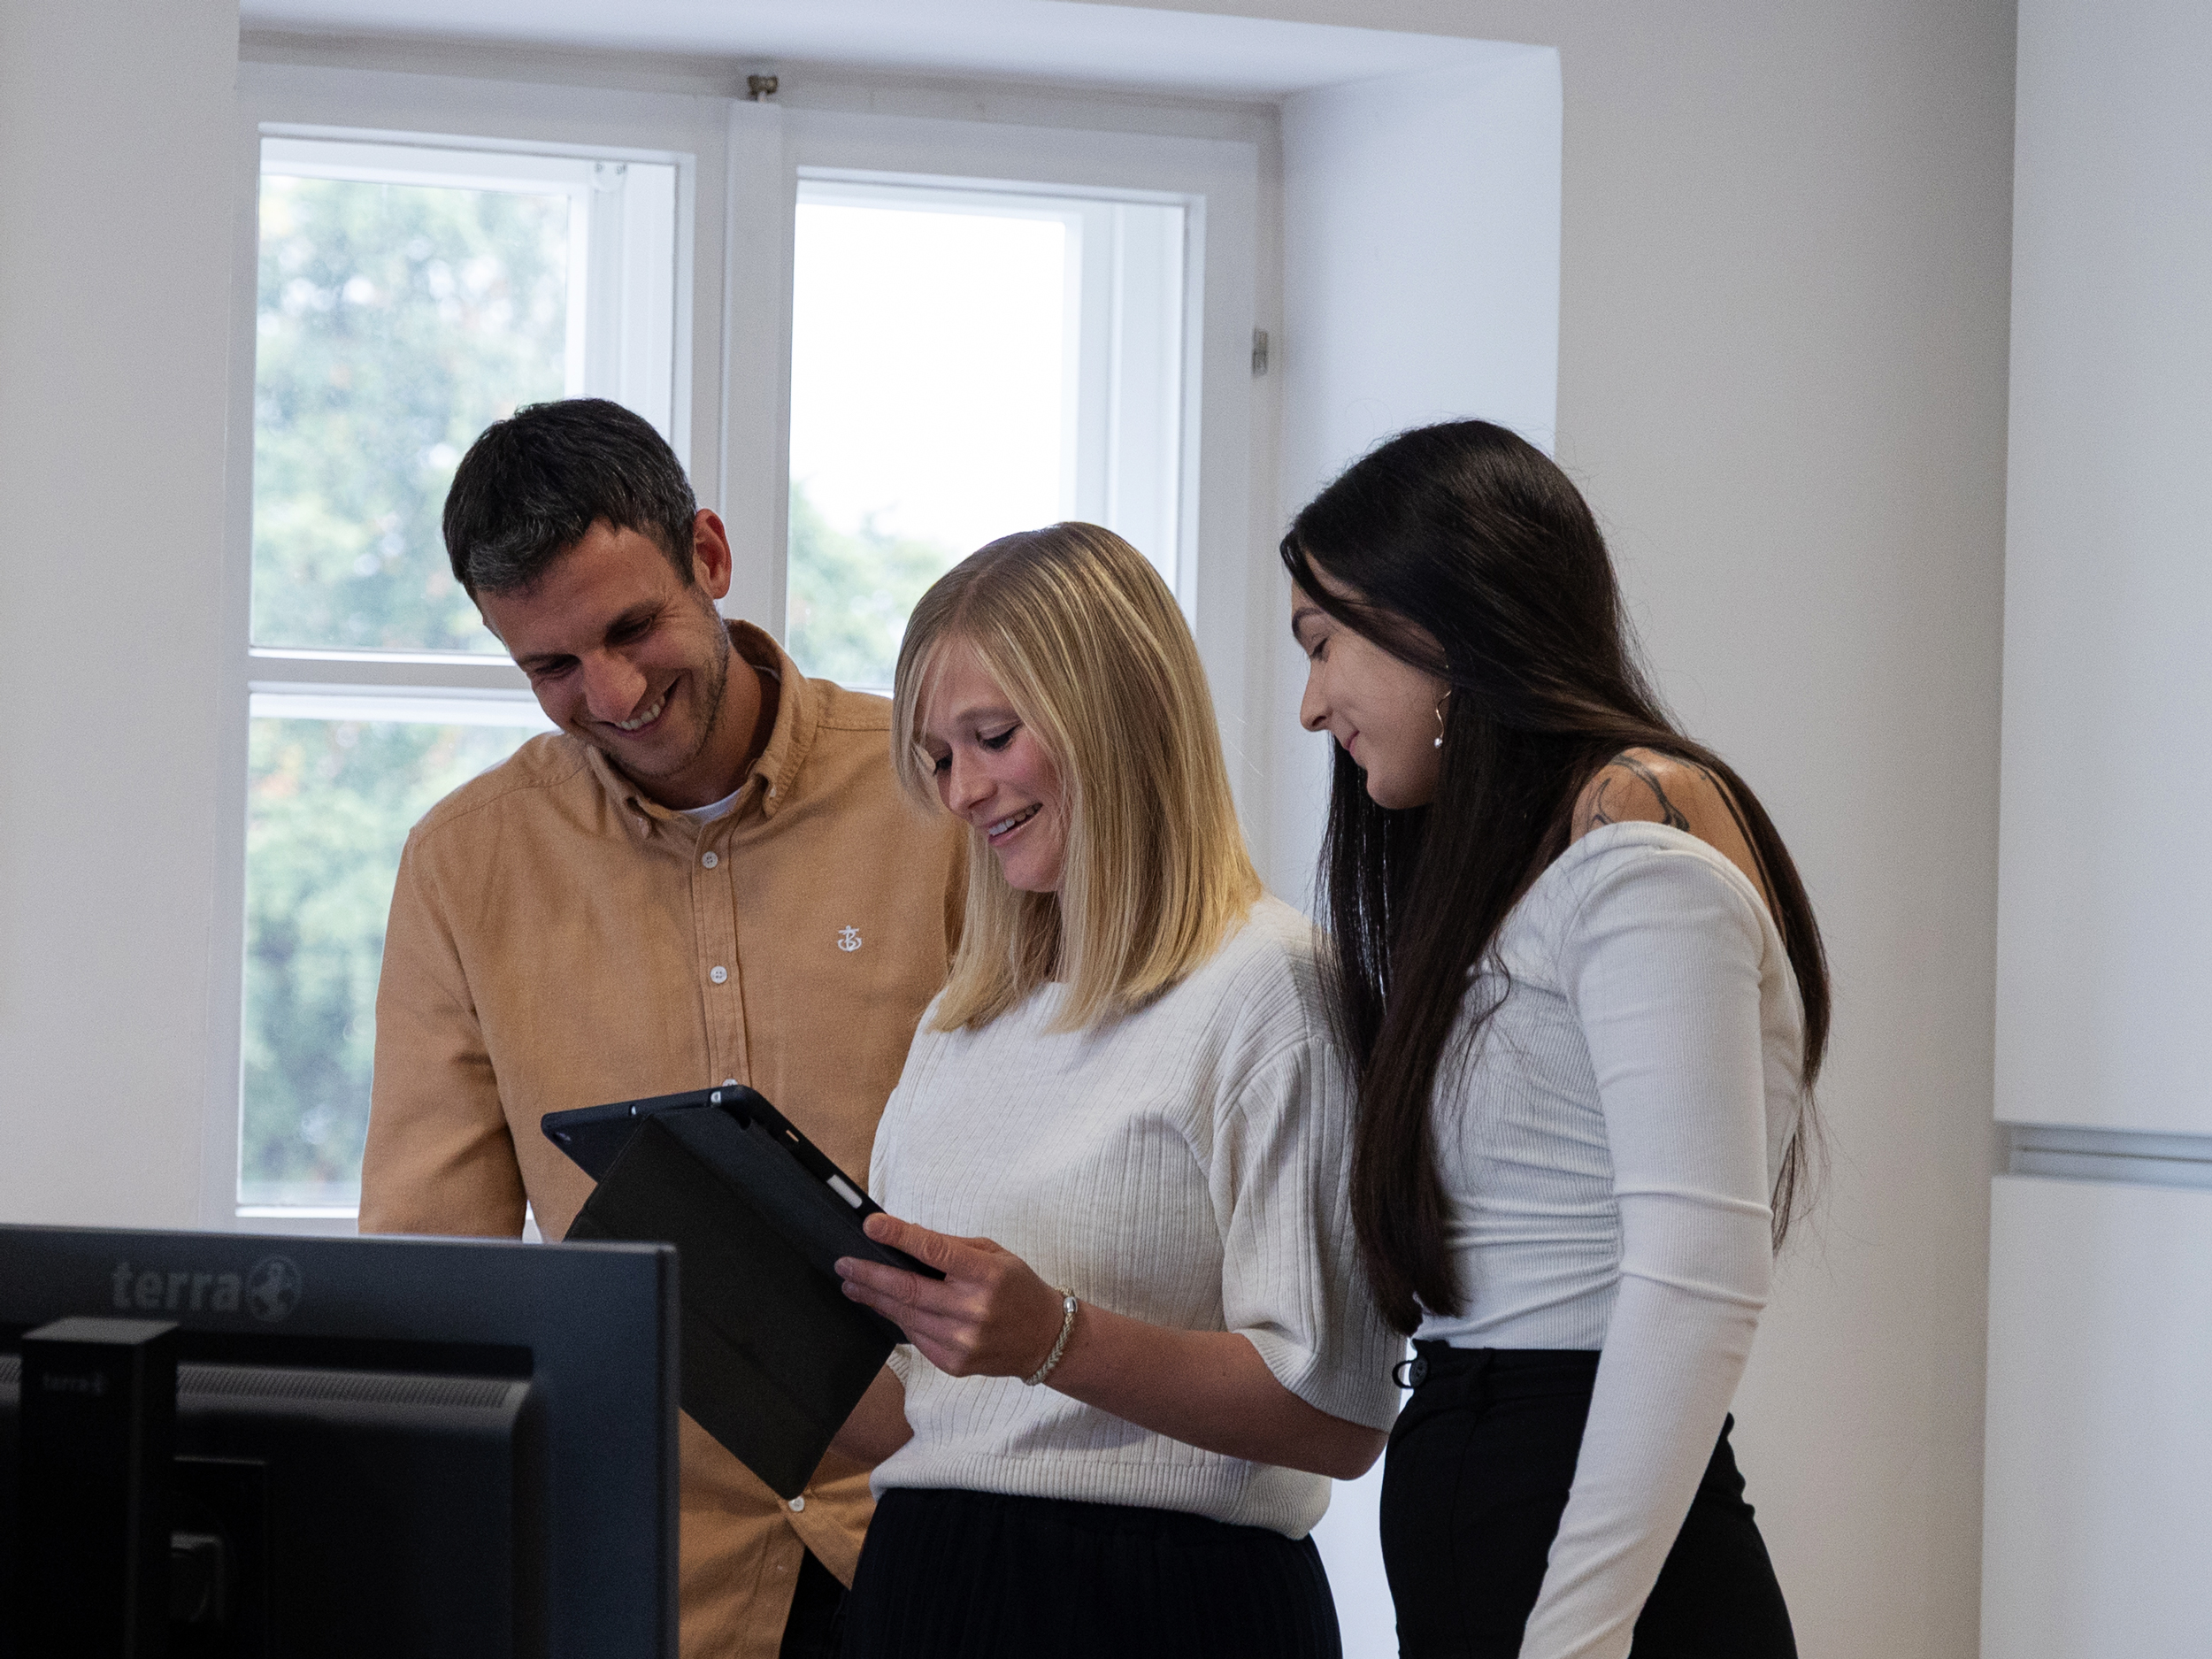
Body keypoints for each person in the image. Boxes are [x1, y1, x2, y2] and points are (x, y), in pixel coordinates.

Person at [357, 398, 965, 1659]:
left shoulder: (943, 793)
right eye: (552, 668)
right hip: (646, 1573)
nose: (614, 691)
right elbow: (436, 1270)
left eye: (632, 628)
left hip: (946, 1530)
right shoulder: (465, 865)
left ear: (711, 554)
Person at [1282, 420, 1829, 1659]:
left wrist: (1576, 1633)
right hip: (1495, 1492)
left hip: (1570, 1515)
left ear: (1435, 614)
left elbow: (1697, 1270)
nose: (1311, 705)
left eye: (1321, 643)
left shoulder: (1635, 847)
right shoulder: (1528, 873)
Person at [825, 522, 1402, 1659]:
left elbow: (1335, 1412)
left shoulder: (1272, 989)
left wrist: (1055, 1338)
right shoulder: (961, 1022)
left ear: (1115, 712)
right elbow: (929, 1418)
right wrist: (711, 1338)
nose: (962, 792)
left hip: (1162, 1606)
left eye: (993, 737)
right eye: (938, 759)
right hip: (920, 1587)